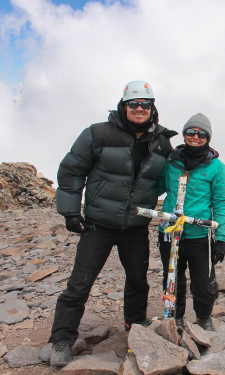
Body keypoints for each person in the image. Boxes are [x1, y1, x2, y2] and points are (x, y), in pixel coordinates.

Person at [49, 81, 177, 366]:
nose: (140, 108)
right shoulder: (98, 133)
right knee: (80, 283)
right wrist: (71, 212)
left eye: (145, 104)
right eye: (134, 104)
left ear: (152, 107)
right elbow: (72, 170)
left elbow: (172, 176)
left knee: (138, 280)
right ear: (124, 106)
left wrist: (205, 157)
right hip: (99, 224)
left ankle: (134, 324)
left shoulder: (161, 142)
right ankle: (62, 340)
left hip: (135, 225)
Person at [157, 113, 225, 331]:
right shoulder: (171, 161)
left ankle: (204, 318)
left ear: (208, 137)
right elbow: (157, 186)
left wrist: (221, 239)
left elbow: (221, 203)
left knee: (204, 281)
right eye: (190, 132)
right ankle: (175, 318)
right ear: (184, 134)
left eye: (201, 134)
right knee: (172, 278)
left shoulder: (217, 168)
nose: (195, 137)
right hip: (169, 232)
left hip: (200, 235)